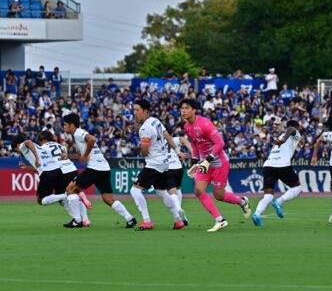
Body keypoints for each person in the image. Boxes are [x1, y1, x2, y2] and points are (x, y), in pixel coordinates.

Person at [180, 99, 251, 232]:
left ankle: (242, 202)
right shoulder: (187, 126)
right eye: (182, 108)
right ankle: (220, 220)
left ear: (194, 110)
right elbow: (195, 143)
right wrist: (195, 161)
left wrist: (208, 159)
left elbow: (220, 143)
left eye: (186, 108)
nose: (183, 110)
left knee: (218, 195)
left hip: (219, 163)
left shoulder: (205, 124)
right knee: (198, 190)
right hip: (205, 164)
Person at [63, 113, 137, 228]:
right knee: (108, 199)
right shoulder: (77, 135)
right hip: (104, 168)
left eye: (65, 124)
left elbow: (92, 139)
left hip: (95, 168)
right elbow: (81, 155)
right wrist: (68, 156)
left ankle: (77, 220)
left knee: (70, 189)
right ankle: (130, 218)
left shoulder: (78, 133)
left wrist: (85, 155)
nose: (64, 127)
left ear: (72, 125)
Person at [130, 99, 187, 230]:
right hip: (165, 162)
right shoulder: (156, 121)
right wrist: (177, 151)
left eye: (137, 110)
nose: (135, 113)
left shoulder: (144, 128)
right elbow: (168, 136)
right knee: (161, 191)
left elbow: (144, 151)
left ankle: (147, 221)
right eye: (134, 110)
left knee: (135, 190)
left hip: (154, 164)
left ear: (145, 111)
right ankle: (178, 220)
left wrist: (141, 148)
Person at [11, 134, 81, 227]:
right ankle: (77, 219)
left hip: (48, 173)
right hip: (57, 170)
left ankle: (66, 195)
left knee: (41, 200)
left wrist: (36, 158)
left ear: (16, 146)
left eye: (16, 151)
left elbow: (28, 142)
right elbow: (41, 166)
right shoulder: (39, 147)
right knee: (61, 199)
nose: (19, 153)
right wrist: (27, 167)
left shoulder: (23, 145)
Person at [252, 120, 303, 226]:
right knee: (297, 188)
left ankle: (257, 214)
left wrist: (297, 149)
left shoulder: (280, 137)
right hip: (282, 165)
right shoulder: (293, 132)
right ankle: (279, 201)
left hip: (268, 165)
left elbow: (291, 155)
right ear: (297, 126)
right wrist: (285, 139)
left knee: (268, 195)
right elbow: (292, 129)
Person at [38, 131, 92, 227]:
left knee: (64, 197)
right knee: (74, 194)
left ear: (43, 140)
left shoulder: (42, 148)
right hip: (72, 169)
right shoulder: (61, 146)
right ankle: (85, 219)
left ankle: (76, 219)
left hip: (61, 172)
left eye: (40, 141)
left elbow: (44, 163)